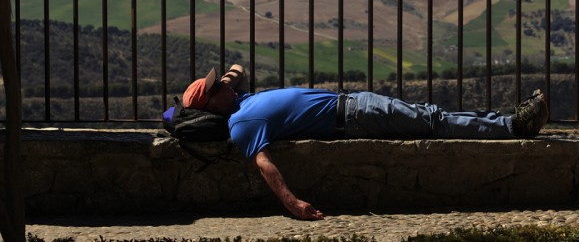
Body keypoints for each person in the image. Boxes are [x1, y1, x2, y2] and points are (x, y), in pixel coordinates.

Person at [182, 65, 549, 220]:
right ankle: (514, 126)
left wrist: (226, 79)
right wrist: (292, 203)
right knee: (432, 120)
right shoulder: (242, 122)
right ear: (211, 104)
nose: (223, 85)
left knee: (429, 116)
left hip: (352, 106)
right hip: (353, 115)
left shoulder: (239, 99)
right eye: (215, 88)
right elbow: (262, 161)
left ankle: (508, 123)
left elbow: (239, 70)